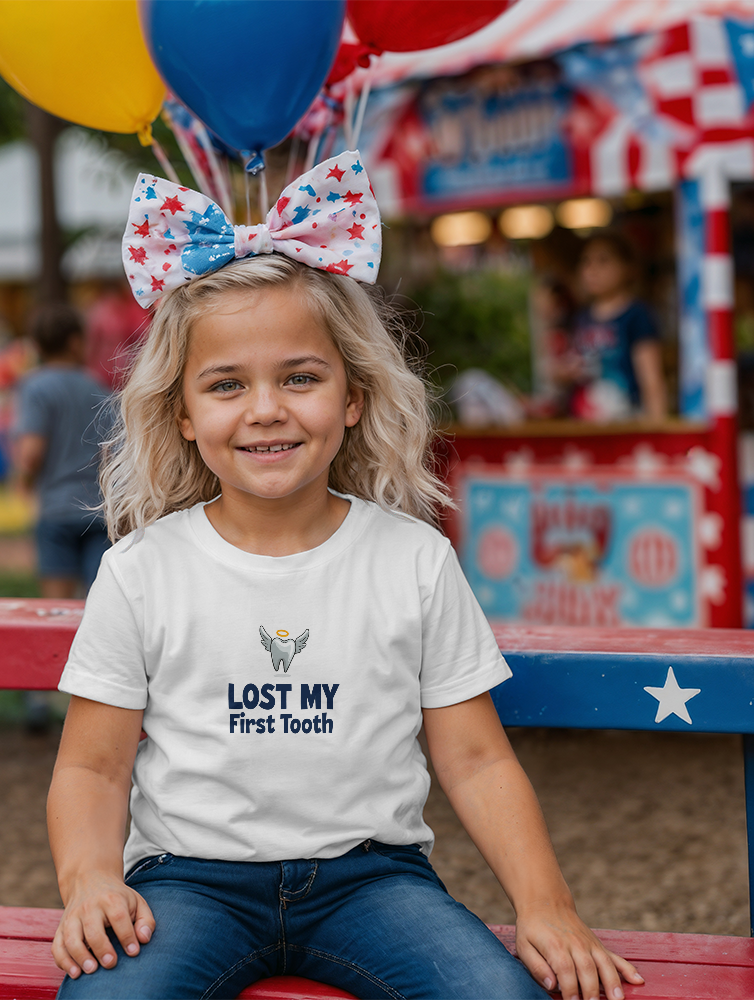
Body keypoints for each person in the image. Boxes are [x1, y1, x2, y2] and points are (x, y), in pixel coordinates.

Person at [46, 154, 645, 1000]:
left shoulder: (413, 559)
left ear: (354, 395)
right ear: (182, 413)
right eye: (226, 385)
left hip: (375, 883)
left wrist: (547, 906)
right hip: (187, 885)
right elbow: (92, 770)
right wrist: (89, 883)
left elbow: (475, 761)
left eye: (301, 377)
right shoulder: (143, 570)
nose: (266, 409)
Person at [14, 305, 115, 732]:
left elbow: (32, 450)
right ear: (75, 341)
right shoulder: (96, 385)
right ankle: (96, 694)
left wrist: (23, 481)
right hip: (97, 508)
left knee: (55, 609)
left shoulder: (35, 387)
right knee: (99, 611)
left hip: (55, 509)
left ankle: (41, 697)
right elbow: (112, 449)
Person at [557, 234, 666, 423]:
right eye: (586, 262)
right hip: (584, 421)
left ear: (627, 268)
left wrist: (656, 428)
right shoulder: (581, 318)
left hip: (625, 420)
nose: (593, 270)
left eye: (603, 261)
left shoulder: (636, 315)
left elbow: (651, 380)